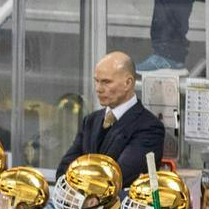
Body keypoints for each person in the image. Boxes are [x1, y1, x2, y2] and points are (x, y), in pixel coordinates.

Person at [54, 49, 165, 181]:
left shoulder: (150, 128)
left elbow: (118, 177)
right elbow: (64, 170)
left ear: (128, 83)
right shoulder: (90, 121)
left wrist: (81, 184)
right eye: (96, 81)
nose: (98, 89)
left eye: (106, 82)